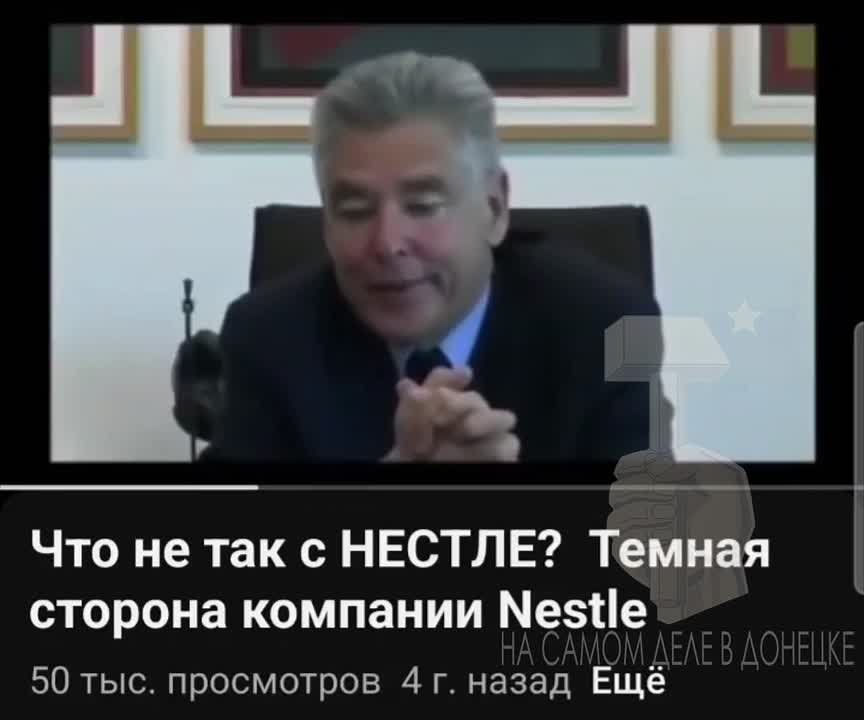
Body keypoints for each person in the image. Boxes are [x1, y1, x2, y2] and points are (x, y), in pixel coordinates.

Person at [203, 51, 666, 462]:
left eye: (423, 206)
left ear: (494, 209)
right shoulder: (268, 337)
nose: (387, 243)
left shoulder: (608, 326)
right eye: (355, 211)